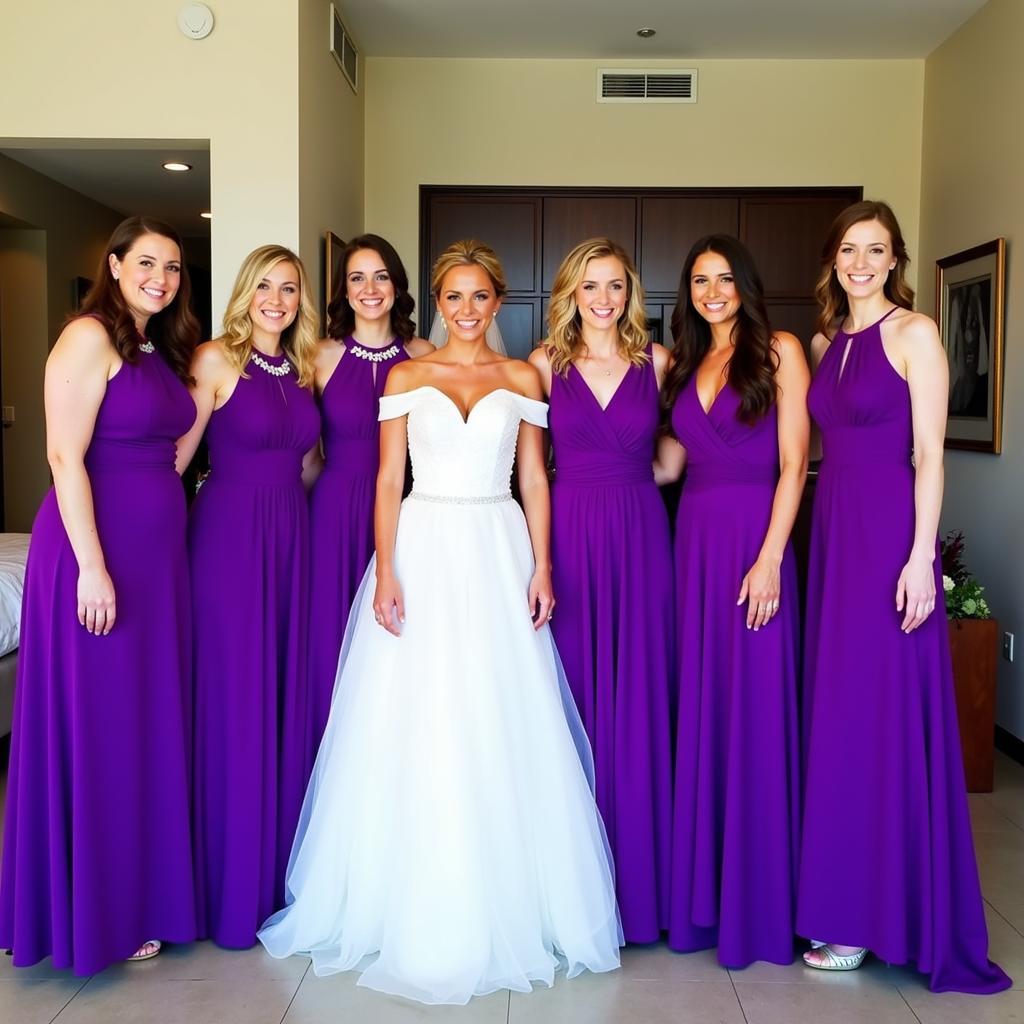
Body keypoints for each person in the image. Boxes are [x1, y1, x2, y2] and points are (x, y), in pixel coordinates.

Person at [258, 240, 621, 1005]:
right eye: (452, 296)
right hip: (422, 546)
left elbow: (532, 476)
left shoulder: (522, 375)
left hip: (496, 545)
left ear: (497, 301)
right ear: (440, 300)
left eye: (479, 297)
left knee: (497, 709)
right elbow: (389, 477)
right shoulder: (406, 374)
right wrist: (386, 568)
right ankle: (402, 896)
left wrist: (543, 564)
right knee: (415, 713)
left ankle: (512, 899)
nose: (465, 309)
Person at [797, 200, 1010, 993]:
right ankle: (841, 901)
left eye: (875, 250)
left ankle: (874, 918)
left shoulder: (914, 334)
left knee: (879, 718)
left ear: (895, 260)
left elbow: (930, 455)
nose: (860, 262)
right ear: (834, 258)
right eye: (849, 249)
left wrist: (922, 557)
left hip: (888, 537)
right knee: (838, 718)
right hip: (833, 533)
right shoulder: (826, 342)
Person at [0, 216, 200, 971]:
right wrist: (92, 564)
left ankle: (143, 894)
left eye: (174, 266)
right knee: (104, 727)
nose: (161, 276)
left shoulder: (153, 346)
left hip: (154, 563)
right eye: (146, 262)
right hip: (97, 555)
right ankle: (99, 913)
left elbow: (166, 452)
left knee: (142, 724)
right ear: (113, 265)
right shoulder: (88, 336)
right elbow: (62, 452)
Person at [656, 235, 807, 967]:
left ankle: (763, 902)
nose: (711, 291)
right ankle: (705, 895)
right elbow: (667, 465)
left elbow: (794, 462)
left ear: (743, 283)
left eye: (722, 278)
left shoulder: (779, 350)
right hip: (695, 548)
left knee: (756, 708)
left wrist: (771, 558)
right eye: (698, 280)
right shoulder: (685, 365)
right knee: (705, 709)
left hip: (755, 544)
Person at [176, 245, 321, 949]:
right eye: (264, 286)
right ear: (245, 292)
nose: (276, 298)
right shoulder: (214, 361)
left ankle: (276, 876)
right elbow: (173, 458)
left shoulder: (305, 369)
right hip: (230, 541)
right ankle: (221, 885)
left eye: (288, 288)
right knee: (234, 700)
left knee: (281, 697)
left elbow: (312, 461)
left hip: (293, 538)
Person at [528, 238, 672, 943]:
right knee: (572, 701)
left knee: (639, 698)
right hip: (572, 537)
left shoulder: (659, 363)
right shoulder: (542, 367)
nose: (604, 299)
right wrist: (541, 562)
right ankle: (570, 892)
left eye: (616, 286)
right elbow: (527, 473)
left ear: (630, 293)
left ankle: (639, 888)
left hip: (643, 537)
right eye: (591, 286)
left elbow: (682, 453)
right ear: (570, 294)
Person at [308, 235, 432, 744]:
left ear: (397, 285)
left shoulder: (425, 355)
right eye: (357, 277)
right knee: (333, 639)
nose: (370, 288)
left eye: (381, 276)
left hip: (411, 513)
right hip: (336, 510)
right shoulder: (319, 356)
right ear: (343, 290)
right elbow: (300, 449)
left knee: (407, 641)